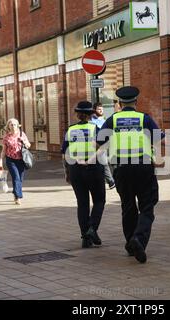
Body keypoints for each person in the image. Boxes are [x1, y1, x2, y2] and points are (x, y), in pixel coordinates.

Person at [98, 86, 164, 263]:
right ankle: (138, 239)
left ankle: (130, 243)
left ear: (119, 103)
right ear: (136, 102)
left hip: (122, 168)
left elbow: (99, 140)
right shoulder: (144, 118)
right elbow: (159, 138)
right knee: (147, 206)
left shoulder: (113, 119)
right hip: (143, 167)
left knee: (128, 206)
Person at [62, 101, 106, 249]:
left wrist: (67, 173)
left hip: (75, 168)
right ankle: (92, 229)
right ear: (91, 114)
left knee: (82, 203)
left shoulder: (70, 130)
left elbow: (65, 154)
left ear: (77, 114)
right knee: (99, 200)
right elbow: (103, 148)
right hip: (93, 167)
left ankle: (85, 238)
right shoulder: (96, 128)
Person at [0, 118, 31, 205]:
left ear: (17, 125)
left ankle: (15, 193)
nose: (13, 126)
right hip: (10, 160)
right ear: (8, 126)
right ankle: (18, 196)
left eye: (15, 124)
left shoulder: (21, 134)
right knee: (16, 177)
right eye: (11, 124)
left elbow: (28, 145)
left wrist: (23, 141)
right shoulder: (6, 137)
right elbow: (4, 150)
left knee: (20, 179)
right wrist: (1, 161)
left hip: (21, 160)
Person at [91, 102, 115, 190]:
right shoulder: (92, 121)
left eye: (102, 109)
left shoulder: (104, 119)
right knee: (102, 162)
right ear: (94, 110)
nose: (101, 110)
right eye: (99, 109)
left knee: (103, 162)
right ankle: (111, 181)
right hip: (94, 144)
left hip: (102, 144)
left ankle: (110, 181)